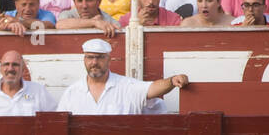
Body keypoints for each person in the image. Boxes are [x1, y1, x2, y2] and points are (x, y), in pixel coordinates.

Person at [57, 38, 188, 114]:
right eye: (90, 57)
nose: (94, 62)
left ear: (109, 59)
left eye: (100, 58)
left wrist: (172, 81)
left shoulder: (127, 86)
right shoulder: (72, 92)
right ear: (84, 60)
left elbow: (153, 88)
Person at [0, 48, 55, 116]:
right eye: (6, 64)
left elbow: (54, 120)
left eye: (15, 65)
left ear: (23, 69)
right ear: (0, 69)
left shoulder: (38, 91)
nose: (10, 69)